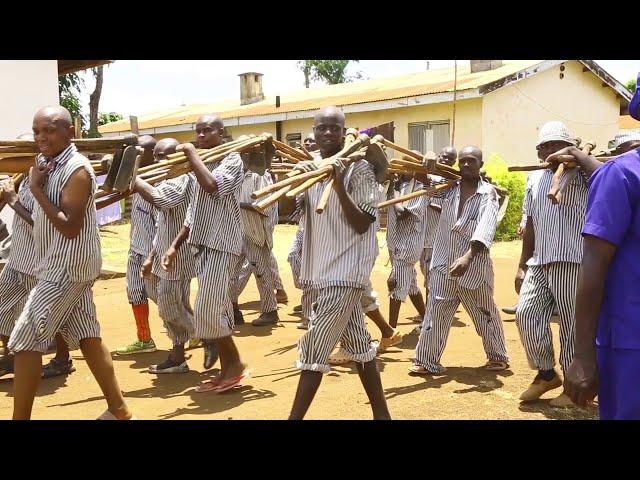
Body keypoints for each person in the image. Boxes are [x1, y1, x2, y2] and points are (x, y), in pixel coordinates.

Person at [8, 106, 132, 419]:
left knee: (25, 340)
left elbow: (69, 226)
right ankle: (119, 410)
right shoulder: (45, 164)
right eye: (37, 131)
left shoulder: (76, 170)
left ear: (70, 132)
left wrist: (35, 189)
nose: (41, 137)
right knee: (88, 336)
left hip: (68, 266)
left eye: (48, 130)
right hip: (56, 261)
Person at [289, 106, 390, 420]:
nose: (328, 134)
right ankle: (382, 415)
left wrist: (337, 182)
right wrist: (294, 178)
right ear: (314, 131)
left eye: (335, 128)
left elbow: (363, 223)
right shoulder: (309, 167)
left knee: (314, 348)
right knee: (359, 345)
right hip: (322, 270)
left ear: (344, 131)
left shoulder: (358, 170)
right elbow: (284, 207)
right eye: (322, 128)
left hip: (347, 271)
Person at [163, 115, 249, 393]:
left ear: (221, 133)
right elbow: (193, 213)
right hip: (202, 244)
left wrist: (190, 153)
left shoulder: (232, 159)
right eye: (197, 131)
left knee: (207, 309)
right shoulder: (199, 165)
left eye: (207, 130)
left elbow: (215, 186)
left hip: (223, 244)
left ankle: (234, 365)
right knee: (213, 309)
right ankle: (229, 368)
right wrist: (175, 244)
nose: (200, 136)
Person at [514, 121, 594, 406]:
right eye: (544, 147)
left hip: (573, 260)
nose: (550, 151)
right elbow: (531, 223)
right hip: (540, 261)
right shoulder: (534, 180)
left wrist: (580, 159)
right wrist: (522, 264)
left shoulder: (586, 176)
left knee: (573, 327)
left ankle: (575, 390)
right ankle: (547, 374)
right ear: (539, 153)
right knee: (526, 314)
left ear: (570, 148)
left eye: (557, 146)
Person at [411, 146, 509, 375]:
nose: (465, 165)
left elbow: (486, 228)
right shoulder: (448, 189)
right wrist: (426, 163)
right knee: (436, 313)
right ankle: (426, 360)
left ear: (480, 165)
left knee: (485, 313)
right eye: (462, 161)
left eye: (471, 161)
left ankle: (497, 356)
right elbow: (425, 183)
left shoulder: (489, 194)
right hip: (443, 263)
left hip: (474, 267)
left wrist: (468, 256)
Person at [563, 140, 640, 419]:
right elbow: (594, 264)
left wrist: (579, 156)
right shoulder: (622, 174)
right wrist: (583, 356)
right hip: (632, 345)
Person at [132, 138, 200, 374]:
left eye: (165, 156)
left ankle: (209, 336)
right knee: (167, 302)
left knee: (169, 307)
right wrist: (151, 255)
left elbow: (160, 199)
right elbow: (162, 226)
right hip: (162, 253)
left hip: (178, 257)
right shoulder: (167, 179)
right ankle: (179, 355)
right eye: (158, 156)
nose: (160, 160)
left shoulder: (182, 179)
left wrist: (131, 177)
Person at [116, 135, 160, 356]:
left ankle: (190, 331)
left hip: (151, 253)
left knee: (161, 296)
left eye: (140, 153)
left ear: (152, 155)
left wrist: (153, 256)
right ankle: (144, 339)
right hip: (135, 249)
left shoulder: (157, 187)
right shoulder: (135, 180)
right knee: (134, 293)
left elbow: (162, 227)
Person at [233, 161, 280, 327]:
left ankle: (270, 311)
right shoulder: (234, 174)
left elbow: (266, 205)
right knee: (231, 272)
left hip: (256, 232)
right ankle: (233, 310)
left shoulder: (259, 176)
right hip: (238, 231)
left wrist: (238, 205)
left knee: (261, 272)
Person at [385, 176, 427, 329]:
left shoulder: (419, 188)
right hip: (395, 243)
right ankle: (426, 317)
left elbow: (402, 213)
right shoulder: (397, 185)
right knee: (410, 285)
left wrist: (395, 191)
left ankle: (390, 332)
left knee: (395, 284)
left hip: (407, 246)